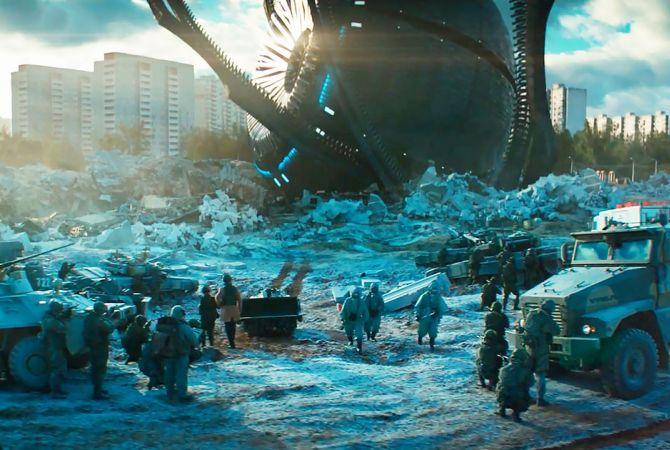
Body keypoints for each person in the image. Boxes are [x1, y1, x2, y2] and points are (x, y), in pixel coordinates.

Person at [157, 305, 199, 403]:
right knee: (181, 374)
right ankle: (181, 395)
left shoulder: (164, 325)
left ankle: (170, 393)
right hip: (181, 353)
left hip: (166, 353)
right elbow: (194, 341)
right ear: (181, 314)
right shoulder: (183, 326)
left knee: (169, 373)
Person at [523, 299, 561, 407]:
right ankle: (540, 399)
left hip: (529, 347)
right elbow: (556, 331)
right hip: (541, 348)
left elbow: (525, 327)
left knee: (527, 372)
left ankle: (525, 395)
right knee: (540, 374)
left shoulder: (532, 313)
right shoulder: (547, 318)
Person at [83, 301, 115, 400]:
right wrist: (110, 319)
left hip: (93, 346)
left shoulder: (89, 317)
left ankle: (98, 389)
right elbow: (109, 329)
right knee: (100, 369)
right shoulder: (99, 320)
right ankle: (97, 392)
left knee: (95, 368)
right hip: (100, 347)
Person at [41, 299, 69, 399]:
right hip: (53, 347)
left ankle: (57, 389)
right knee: (57, 369)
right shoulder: (50, 320)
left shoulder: (51, 317)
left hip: (56, 346)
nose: (60, 312)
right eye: (59, 310)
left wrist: (64, 315)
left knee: (60, 368)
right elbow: (62, 328)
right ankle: (55, 392)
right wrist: (64, 319)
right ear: (55, 310)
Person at [496, 348, 534, 423]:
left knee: (502, 387)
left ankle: (501, 410)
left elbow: (501, 380)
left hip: (502, 396)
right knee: (522, 393)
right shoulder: (525, 371)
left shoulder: (504, 368)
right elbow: (531, 383)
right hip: (516, 397)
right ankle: (516, 414)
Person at [414, 281, 447, 351]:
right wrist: (418, 314)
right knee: (422, 329)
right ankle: (420, 339)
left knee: (433, 330)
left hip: (434, 317)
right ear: (430, 288)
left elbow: (442, 307)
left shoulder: (438, 297)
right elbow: (418, 306)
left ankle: (431, 344)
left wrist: (438, 313)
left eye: (436, 289)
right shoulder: (424, 296)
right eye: (433, 289)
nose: (434, 291)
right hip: (424, 316)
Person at [215, 274, 241, 349]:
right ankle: (233, 342)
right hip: (234, 308)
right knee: (233, 326)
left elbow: (217, 297)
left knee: (227, 325)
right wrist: (239, 310)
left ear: (224, 281)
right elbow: (239, 300)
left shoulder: (222, 289)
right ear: (231, 280)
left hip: (226, 309)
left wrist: (219, 304)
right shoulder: (235, 289)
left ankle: (231, 343)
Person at [340, 287, 369, 353]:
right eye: (354, 293)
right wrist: (343, 319)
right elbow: (343, 311)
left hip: (358, 320)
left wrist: (364, 320)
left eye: (357, 294)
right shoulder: (347, 300)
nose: (355, 295)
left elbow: (365, 312)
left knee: (359, 334)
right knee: (348, 331)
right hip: (348, 319)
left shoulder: (361, 302)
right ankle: (351, 341)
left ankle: (359, 347)